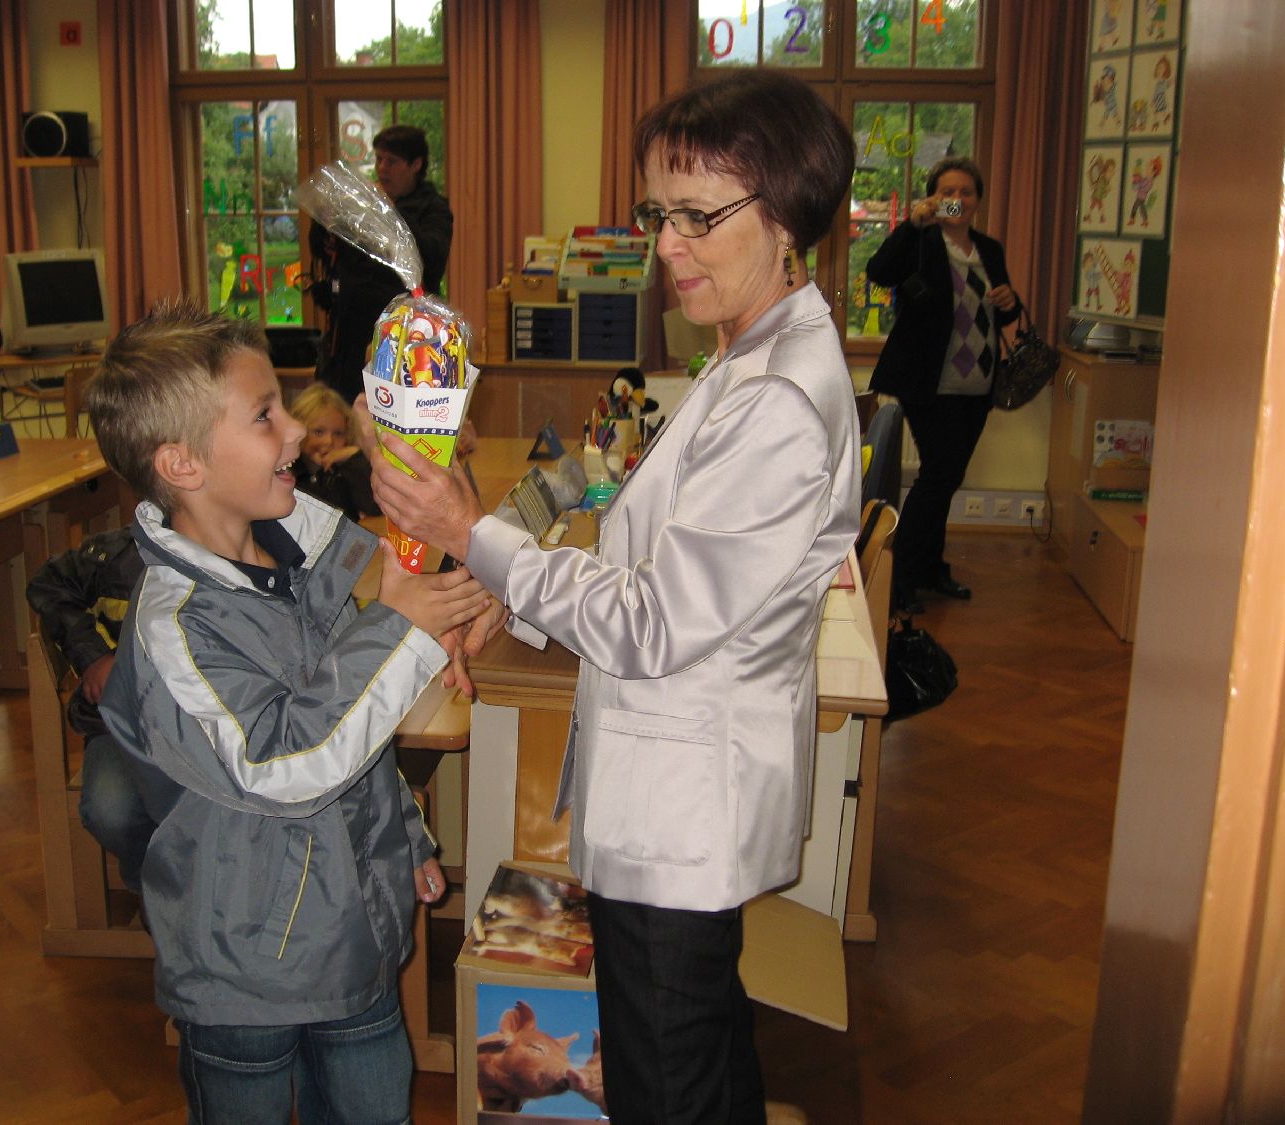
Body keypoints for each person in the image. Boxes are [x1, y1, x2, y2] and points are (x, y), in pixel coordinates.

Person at [366, 70, 859, 1125]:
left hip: (685, 806)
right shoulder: (752, 352)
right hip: (683, 790)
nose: (666, 246)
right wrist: (511, 592)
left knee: (664, 1076)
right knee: (697, 1045)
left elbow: (652, 620)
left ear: (786, 215)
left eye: (698, 216)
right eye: (656, 214)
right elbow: (668, 572)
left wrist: (473, 534)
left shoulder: (776, 398)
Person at [84, 299, 491, 1125]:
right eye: (265, 415)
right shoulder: (176, 626)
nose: (298, 430)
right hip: (243, 973)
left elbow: (351, 723)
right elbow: (283, 763)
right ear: (183, 464)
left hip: (350, 936)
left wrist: (404, 835)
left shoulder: (293, 545)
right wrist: (404, 628)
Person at [865, 156, 1021, 613]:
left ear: (977, 201)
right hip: (927, 382)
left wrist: (1010, 302)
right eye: (946, 192)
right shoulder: (922, 240)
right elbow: (879, 271)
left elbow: (1003, 313)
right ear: (933, 197)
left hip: (977, 384)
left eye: (965, 192)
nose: (956, 200)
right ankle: (899, 580)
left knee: (947, 478)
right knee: (937, 476)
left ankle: (929, 569)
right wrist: (912, 225)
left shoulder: (988, 249)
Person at [26, 529, 181, 894]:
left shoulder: (254, 548)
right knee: (112, 810)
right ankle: (155, 891)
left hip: (214, 729)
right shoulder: (117, 557)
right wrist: (93, 657)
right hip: (123, 724)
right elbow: (48, 585)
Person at [309, 124, 453, 405]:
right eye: (378, 159)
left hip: (403, 336)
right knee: (343, 413)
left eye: (392, 161)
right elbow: (325, 252)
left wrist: (389, 211)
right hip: (349, 335)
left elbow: (432, 258)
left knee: (394, 414)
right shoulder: (364, 204)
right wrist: (326, 223)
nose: (382, 168)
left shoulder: (433, 208)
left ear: (416, 165)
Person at [287, 383, 380, 522]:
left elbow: (374, 509)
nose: (329, 441)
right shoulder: (288, 472)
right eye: (318, 432)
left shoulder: (346, 469)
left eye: (338, 434)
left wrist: (354, 458)